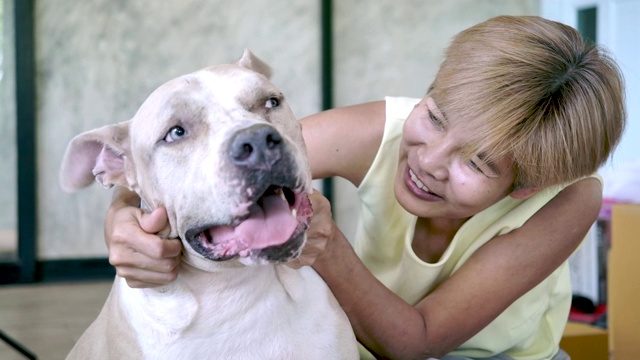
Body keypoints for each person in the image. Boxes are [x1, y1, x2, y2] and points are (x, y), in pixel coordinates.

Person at [103, 16, 625, 359]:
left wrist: (329, 250)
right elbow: (221, 173)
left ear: (527, 186)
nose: (429, 161)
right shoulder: (380, 132)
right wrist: (123, 219)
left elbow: (418, 342)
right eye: (437, 117)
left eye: (479, 161)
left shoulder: (569, 199)